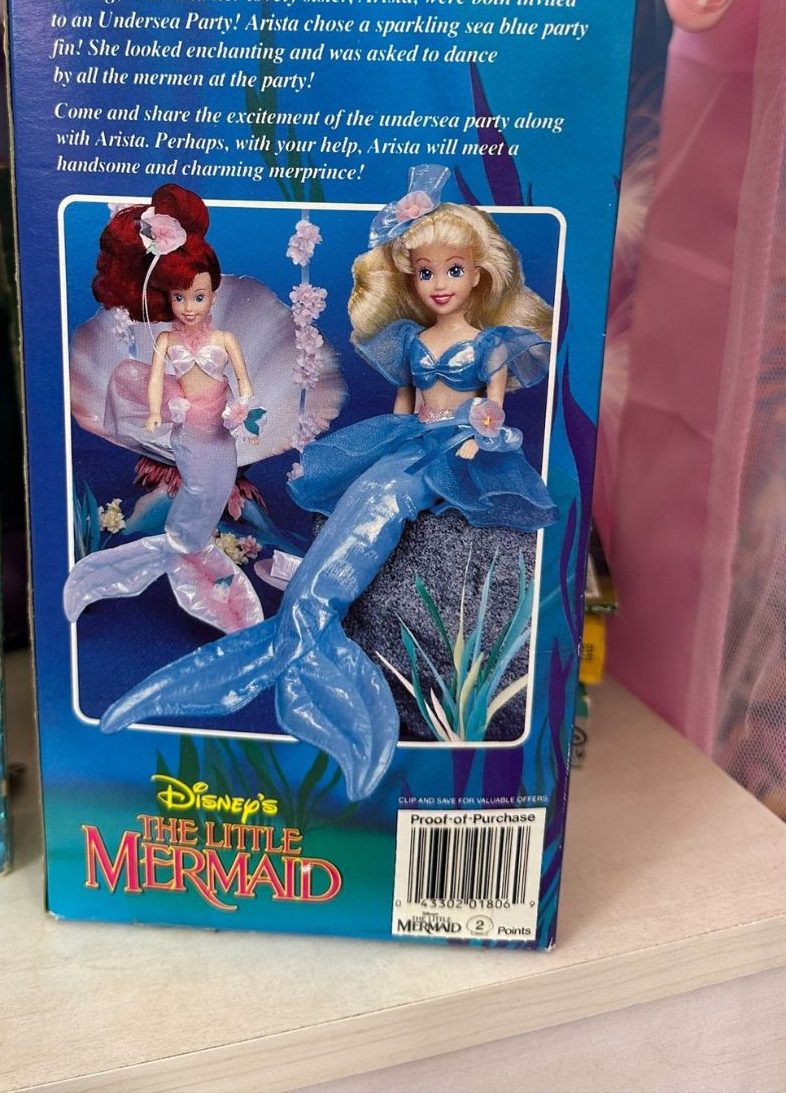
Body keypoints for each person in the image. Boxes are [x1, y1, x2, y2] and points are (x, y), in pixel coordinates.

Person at [95, 168, 558, 799]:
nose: (440, 284)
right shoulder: (412, 339)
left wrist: (476, 438)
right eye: (425, 272)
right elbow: (403, 405)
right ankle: (309, 627)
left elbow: (492, 409)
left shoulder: (493, 343)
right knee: (368, 491)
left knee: (384, 500)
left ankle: (308, 621)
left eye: (453, 270)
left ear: (479, 273)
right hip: (411, 443)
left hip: (459, 450)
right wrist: (386, 445)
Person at [64, 184, 269, 633]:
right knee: (195, 489)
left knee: (217, 489)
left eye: (198, 297)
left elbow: (244, 380)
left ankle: (189, 549)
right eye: (179, 298)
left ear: (213, 294)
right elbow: (155, 378)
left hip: (219, 433)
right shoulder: (166, 340)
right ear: (166, 298)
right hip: (187, 430)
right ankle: (184, 549)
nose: (189, 308)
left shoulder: (225, 339)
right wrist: (157, 411)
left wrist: (243, 406)